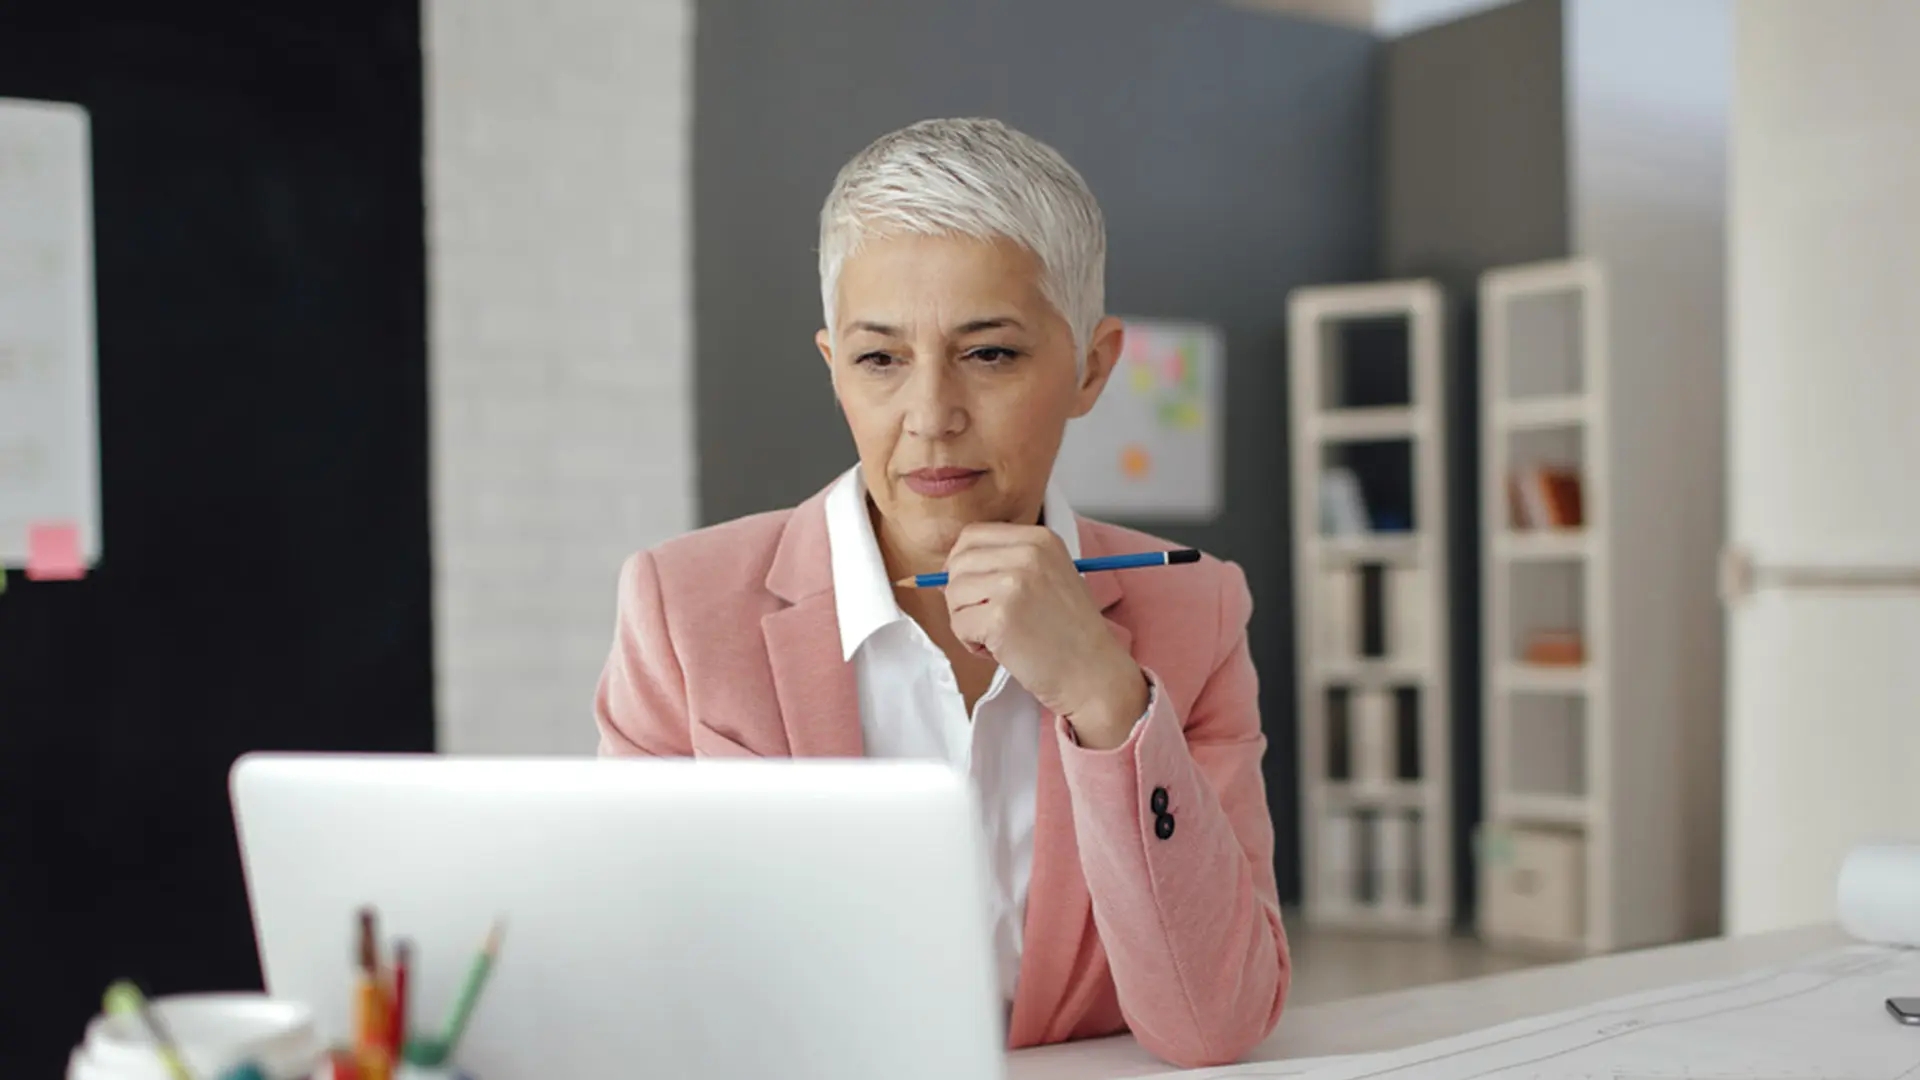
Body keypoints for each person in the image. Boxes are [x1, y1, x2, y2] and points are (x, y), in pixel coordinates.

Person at [593, 117, 1289, 1068]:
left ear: (1090, 366)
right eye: (881, 359)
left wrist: (1107, 698)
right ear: (834, 365)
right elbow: (633, 984)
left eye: (990, 353)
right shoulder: (680, 607)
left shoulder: (1196, 612)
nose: (931, 418)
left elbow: (1215, 1024)